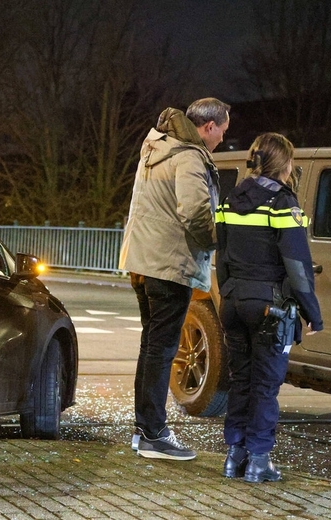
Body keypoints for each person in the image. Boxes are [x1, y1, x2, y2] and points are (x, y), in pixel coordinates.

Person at [119, 97, 231, 460]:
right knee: (161, 349)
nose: (222, 140)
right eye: (223, 132)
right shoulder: (188, 156)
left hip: (143, 261)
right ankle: (154, 434)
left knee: (151, 347)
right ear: (209, 126)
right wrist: (221, 241)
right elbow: (196, 213)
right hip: (169, 266)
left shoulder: (156, 146)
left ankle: (144, 430)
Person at [215, 132, 323, 483]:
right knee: (265, 385)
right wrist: (312, 313)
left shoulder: (231, 197)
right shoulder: (282, 203)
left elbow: (222, 256)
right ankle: (259, 463)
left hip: (233, 303)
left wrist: (229, 291)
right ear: (284, 163)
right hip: (269, 308)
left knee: (241, 380)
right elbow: (296, 264)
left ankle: (235, 457)